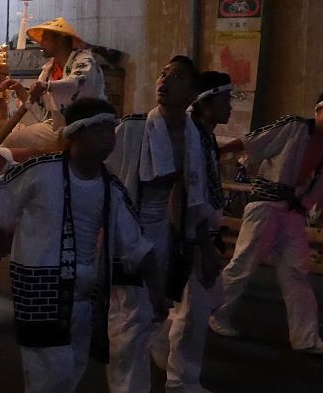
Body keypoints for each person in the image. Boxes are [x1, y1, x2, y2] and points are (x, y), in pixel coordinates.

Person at [0, 98, 165, 393]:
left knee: (71, 369)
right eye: (99, 130)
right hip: (39, 290)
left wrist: (157, 294)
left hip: (82, 294)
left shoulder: (111, 187)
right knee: (50, 375)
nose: (108, 139)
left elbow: (139, 246)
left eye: (110, 130)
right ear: (75, 134)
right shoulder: (41, 170)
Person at [209, 88, 323, 355]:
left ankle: (306, 337)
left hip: (293, 213)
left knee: (297, 273)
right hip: (266, 206)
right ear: (320, 108)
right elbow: (255, 140)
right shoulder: (294, 126)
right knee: (243, 264)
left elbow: (322, 197)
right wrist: (216, 151)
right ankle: (216, 313)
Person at [105, 55, 218, 393]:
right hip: (128, 229)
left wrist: (204, 245)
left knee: (154, 312)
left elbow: (194, 197)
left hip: (164, 232)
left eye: (177, 76)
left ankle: (175, 372)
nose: (164, 80)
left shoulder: (195, 136)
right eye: (163, 73)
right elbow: (104, 178)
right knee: (131, 319)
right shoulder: (134, 128)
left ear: (193, 93)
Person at [153, 71, 232, 393]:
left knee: (204, 300)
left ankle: (159, 344)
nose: (230, 106)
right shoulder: (191, 137)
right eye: (225, 99)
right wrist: (200, 242)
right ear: (205, 103)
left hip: (199, 228)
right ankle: (181, 380)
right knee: (193, 310)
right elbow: (185, 193)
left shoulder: (204, 136)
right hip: (189, 230)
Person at [1, 17, 107, 150]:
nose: (40, 44)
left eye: (45, 39)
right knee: (11, 141)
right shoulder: (48, 71)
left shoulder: (84, 61)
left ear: (60, 40)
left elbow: (75, 82)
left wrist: (47, 86)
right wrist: (21, 91)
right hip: (60, 130)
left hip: (89, 128)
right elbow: (43, 114)